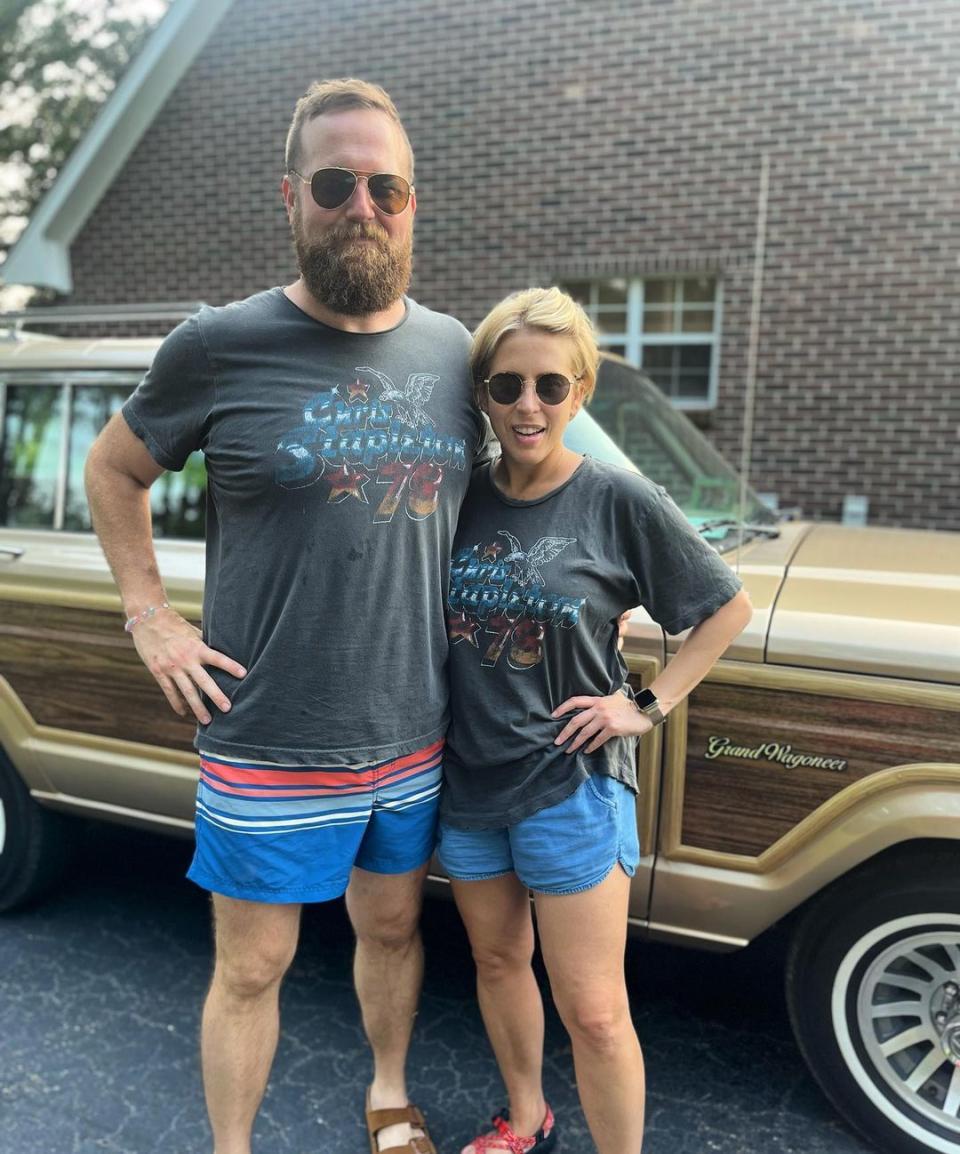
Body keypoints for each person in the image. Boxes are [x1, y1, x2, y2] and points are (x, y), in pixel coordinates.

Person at [84, 79, 487, 1154]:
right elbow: (114, 468)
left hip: (413, 729)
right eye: (335, 181)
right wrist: (149, 615)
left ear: (413, 203)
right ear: (291, 196)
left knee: (394, 928)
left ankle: (390, 1094)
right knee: (252, 965)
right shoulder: (219, 343)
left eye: (386, 186)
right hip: (268, 732)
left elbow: (505, 499)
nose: (362, 204)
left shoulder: (455, 351)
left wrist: (596, 597)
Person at [439, 287, 753, 1154]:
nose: (527, 406)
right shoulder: (457, 497)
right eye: (506, 387)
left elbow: (725, 608)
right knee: (499, 964)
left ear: (580, 391)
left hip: (570, 787)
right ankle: (526, 1118)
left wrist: (643, 705)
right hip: (468, 782)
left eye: (549, 385)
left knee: (596, 1010)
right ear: (484, 394)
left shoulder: (617, 496)